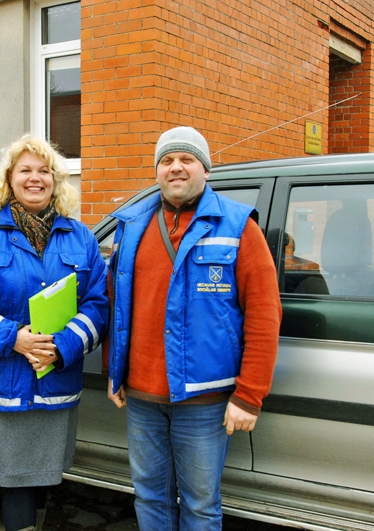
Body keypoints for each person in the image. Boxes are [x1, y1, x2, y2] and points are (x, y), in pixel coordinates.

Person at [104, 126, 282, 530]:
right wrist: (114, 372)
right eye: (167, 160)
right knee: (149, 497)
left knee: (200, 505)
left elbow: (264, 314)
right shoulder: (131, 226)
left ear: (206, 169)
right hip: (142, 398)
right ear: (157, 171)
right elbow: (117, 304)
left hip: (205, 400)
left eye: (187, 159)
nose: (176, 167)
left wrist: (249, 395)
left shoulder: (238, 226)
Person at [0, 134, 109, 531]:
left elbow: (99, 303)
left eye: (44, 171)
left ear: (55, 180)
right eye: (25, 171)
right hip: (5, 382)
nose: (35, 178)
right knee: (14, 480)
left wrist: (64, 345)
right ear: (9, 179)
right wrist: (12, 337)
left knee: (47, 478)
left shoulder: (81, 237)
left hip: (56, 379)